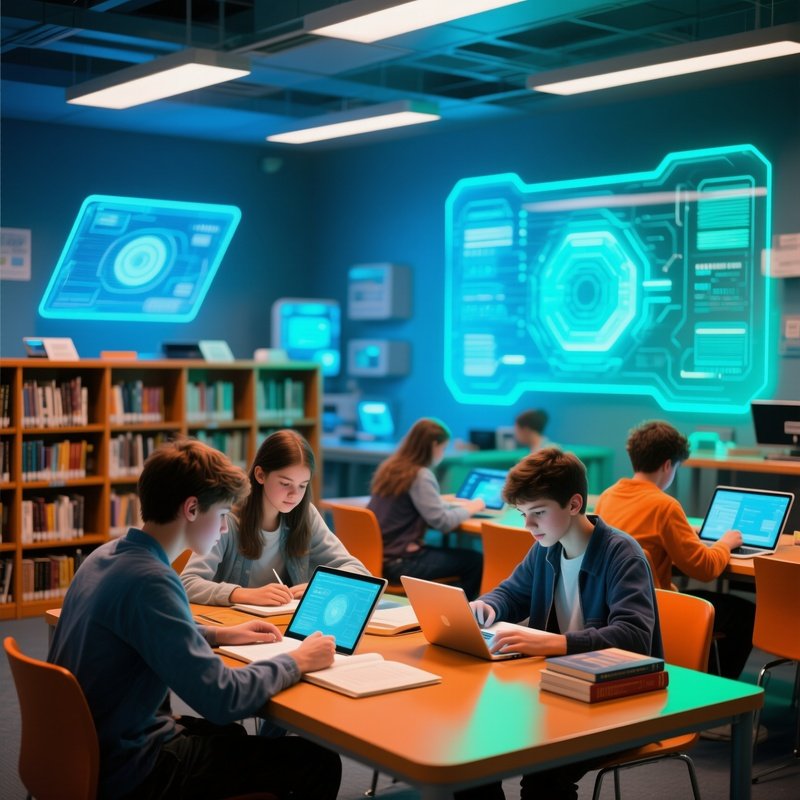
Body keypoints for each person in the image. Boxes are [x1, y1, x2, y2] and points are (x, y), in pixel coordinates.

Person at [48, 437, 341, 799]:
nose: (224, 529)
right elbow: (222, 699)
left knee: (233, 737)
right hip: (134, 767)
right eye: (222, 515)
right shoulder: (153, 581)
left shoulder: (107, 556)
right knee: (319, 761)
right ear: (191, 509)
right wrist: (297, 660)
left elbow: (145, 631)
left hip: (86, 747)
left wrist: (218, 635)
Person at [461, 447, 662, 800]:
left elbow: (633, 637)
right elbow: (512, 592)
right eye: (523, 514)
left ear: (573, 504)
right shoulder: (546, 547)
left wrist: (554, 643)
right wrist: (487, 605)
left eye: (538, 513)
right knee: (471, 755)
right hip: (559, 690)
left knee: (544, 775)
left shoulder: (622, 553)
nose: (528, 525)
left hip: (618, 699)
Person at [594, 420, 755, 683]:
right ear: (668, 465)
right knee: (745, 614)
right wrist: (725, 543)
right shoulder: (665, 506)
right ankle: (714, 688)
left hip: (612, 605)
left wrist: (686, 533)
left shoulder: (608, 496)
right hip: (656, 609)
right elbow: (704, 568)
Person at [182, 429, 369, 606]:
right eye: (285, 483)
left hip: (282, 622)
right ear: (260, 475)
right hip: (234, 624)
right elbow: (188, 582)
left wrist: (320, 587)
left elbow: (358, 572)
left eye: (303, 485)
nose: (294, 494)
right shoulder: (226, 519)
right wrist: (243, 594)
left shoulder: (305, 515)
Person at [368, 417, 485, 599]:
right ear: (434, 445)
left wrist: (445, 504)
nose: (443, 453)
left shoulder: (391, 468)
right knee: (475, 561)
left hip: (379, 558)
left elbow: (410, 508)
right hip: (401, 563)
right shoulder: (420, 475)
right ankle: (461, 613)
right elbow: (443, 523)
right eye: (443, 448)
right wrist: (473, 507)